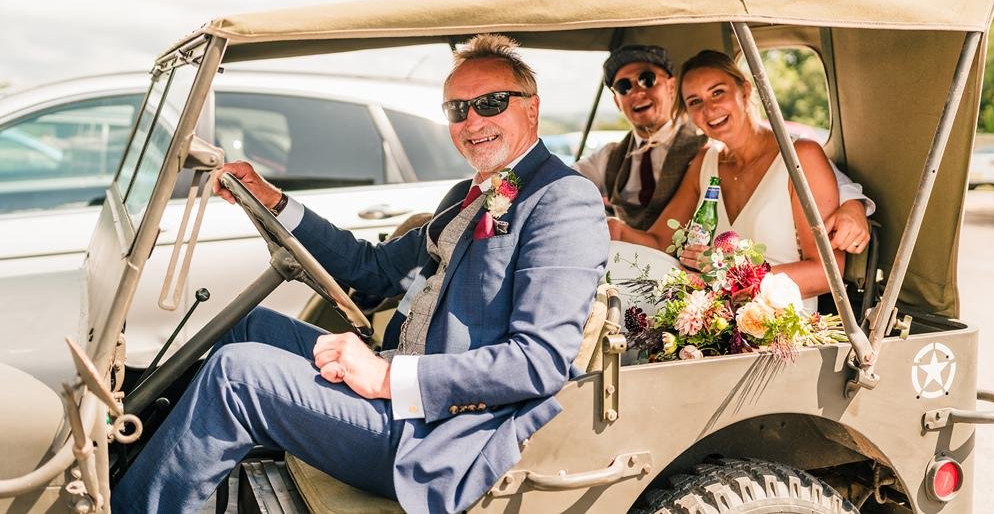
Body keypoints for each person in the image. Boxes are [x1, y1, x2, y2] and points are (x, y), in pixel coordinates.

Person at [111, 34, 610, 513]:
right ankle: (123, 458)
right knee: (246, 325)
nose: (472, 121)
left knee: (239, 374)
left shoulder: (563, 198)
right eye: (458, 109)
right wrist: (273, 200)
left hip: (441, 433)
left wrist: (388, 376)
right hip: (395, 382)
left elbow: (539, 361)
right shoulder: (464, 197)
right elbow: (372, 272)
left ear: (531, 107)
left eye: (491, 102)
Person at [575, 45, 874, 254]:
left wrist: (853, 203)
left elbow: (810, 173)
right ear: (617, 101)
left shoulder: (699, 146)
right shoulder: (611, 156)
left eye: (647, 79)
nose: (637, 91)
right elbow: (566, 181)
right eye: (624, 87)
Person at [610, 49, 844, 309]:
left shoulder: (802, 156)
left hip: (782, 327)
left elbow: (826, 273)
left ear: (744, 91)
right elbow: (660, 242)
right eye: (695, 102)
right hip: (712, 323)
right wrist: (615, 229)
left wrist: (731, 275)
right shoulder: (704, 161)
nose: (709, 109)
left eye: (717, 92)